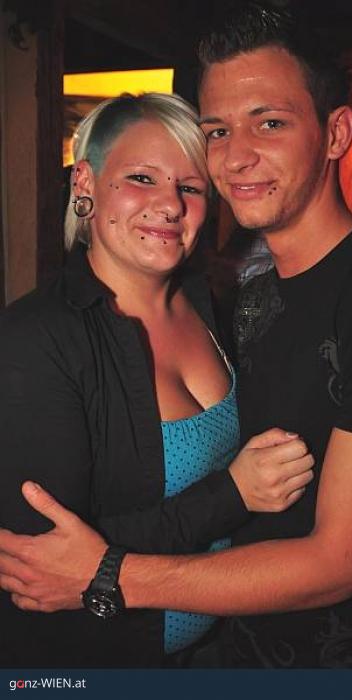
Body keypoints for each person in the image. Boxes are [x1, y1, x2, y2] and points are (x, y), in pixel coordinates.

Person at [0, 3, 352, 668]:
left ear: (335, 133)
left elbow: (339, 564)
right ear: (86, 183)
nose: (236, 157)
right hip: (206, 654)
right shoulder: (243, 299)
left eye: (269, 122)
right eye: (217, 130)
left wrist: (110, 574)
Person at [0, 91, 314, 668]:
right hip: (100, 663)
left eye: (190, 187)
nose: (170, 205)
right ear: (86, 183)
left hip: (217, 648)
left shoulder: (206, 301)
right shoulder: (34, 340)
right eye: (142, 178)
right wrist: (233, 495)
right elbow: (42, 560)